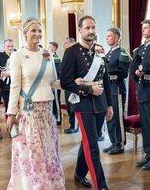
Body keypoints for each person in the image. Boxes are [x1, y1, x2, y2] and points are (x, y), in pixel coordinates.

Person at [6, 17, 65, 190]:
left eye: (40, 30)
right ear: (25, 33)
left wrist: (73, 84)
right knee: (33, 153)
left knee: (48, 152)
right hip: (29, 112)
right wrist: (11, 114)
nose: (37, 34)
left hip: (47, 111)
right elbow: (15, 86)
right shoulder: (17, 55)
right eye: (33, 30)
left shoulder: (47, 54)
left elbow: (53, 82)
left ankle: (50, 184)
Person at [61, 15, 113, 190]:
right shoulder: (71, 52)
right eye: (87, 28)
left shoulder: (99, 50)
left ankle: (79, 173)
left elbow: (105, 80)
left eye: (93, 27)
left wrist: (110, 104)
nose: (91, 31)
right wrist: (89, 90)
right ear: (80, 30)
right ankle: (101, 185)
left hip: (100, 103)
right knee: (92, 146)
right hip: (83, 105)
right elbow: (65, 82)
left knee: (89, 141)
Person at [103, 27, 130, 155]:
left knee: (118, 118)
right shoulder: (107, 54)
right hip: (108, 91)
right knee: (109, 117)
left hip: (117, 89)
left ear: (117, 38)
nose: (106, 38)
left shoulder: (122, 52)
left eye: (109, 36)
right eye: (107, 36)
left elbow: (124, 73)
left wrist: (109, 76)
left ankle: (119, 144)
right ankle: (113, 142)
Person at [130, 19, 150, 170]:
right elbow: (134, 67)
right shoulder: (141, 48)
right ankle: (148, 154)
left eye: (145, 28)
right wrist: (137, 72)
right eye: (142, 28)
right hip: (143, 90)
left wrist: (144, 69)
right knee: (146, 125)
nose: (142, 31)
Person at [0, 39, 14, 119]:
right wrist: (2, 73)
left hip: (17, 84)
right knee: (8, 106)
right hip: (5, 86)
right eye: (8, 46)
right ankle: (10, 127)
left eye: (11, 46)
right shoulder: (0, 56)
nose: (10, 48)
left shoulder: (17, 54)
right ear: (4, 47)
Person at [62, 37, 78, 134]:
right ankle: (72, 125)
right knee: (69, 107)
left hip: (74, 85)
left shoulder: (76, 53)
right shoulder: (67, 53)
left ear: (72, 43)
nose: (64, 45)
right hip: (67, 85)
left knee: (73, 107)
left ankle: (74, 126)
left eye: (66, 43)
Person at [48, 41, 62, 125]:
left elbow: (56, 71)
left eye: (50, 46)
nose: (48, 48)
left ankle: (58, 118)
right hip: (48, 83)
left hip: (55, 82)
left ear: (54, 48)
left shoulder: (56, 57)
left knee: (56, 100)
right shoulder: (46, 56)